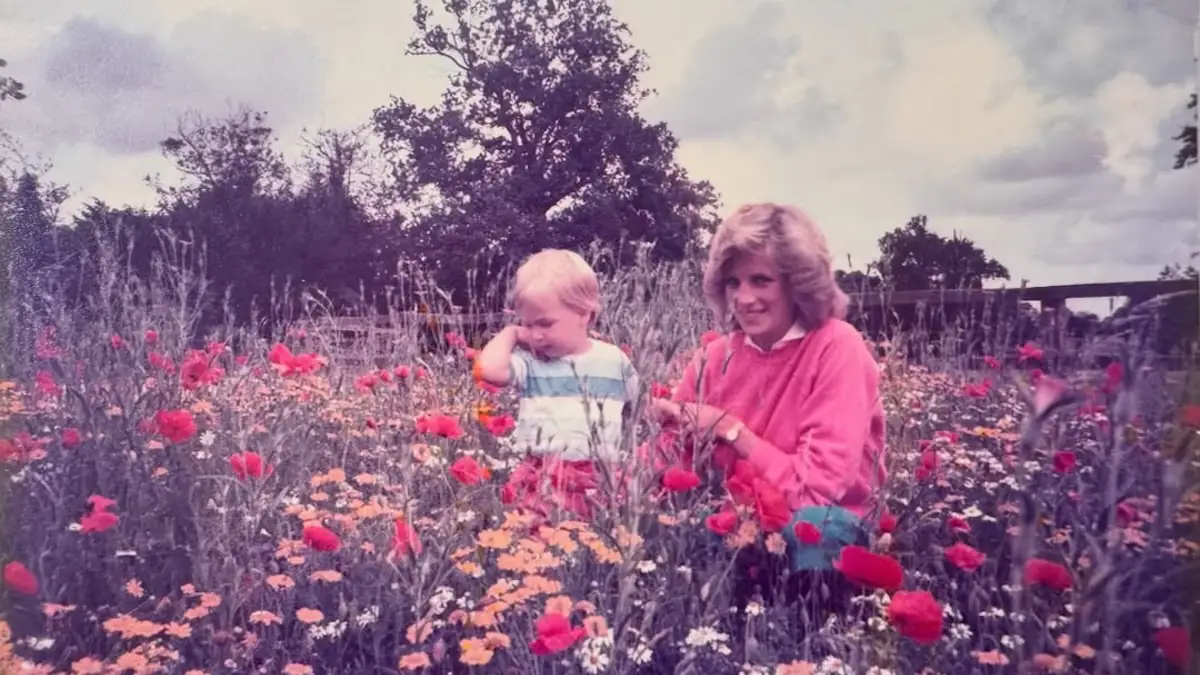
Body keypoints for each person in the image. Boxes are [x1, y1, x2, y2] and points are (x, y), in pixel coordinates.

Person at [648, 202, 887, 621]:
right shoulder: (713, 357)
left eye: (761, 280)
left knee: (812, 530)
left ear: (798, 283)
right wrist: (590, 487)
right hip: (736, 521)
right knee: (666, 535)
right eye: (733, 282)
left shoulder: (837, 347)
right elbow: (667, 461)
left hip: (820, 526)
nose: (744, 298)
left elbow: (817, 491)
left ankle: (815, 640)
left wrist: (729, 429)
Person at [475, 249, 640, 523]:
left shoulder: (614, 361)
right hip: (541, 477)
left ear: (584, 314)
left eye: (545, 323)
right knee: (537, 550)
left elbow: (640, 408)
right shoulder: (531, 364)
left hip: (598, 478)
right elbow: (489, 370)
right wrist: (511, 334)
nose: (536, 335)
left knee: (593, 549)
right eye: (527, 324)